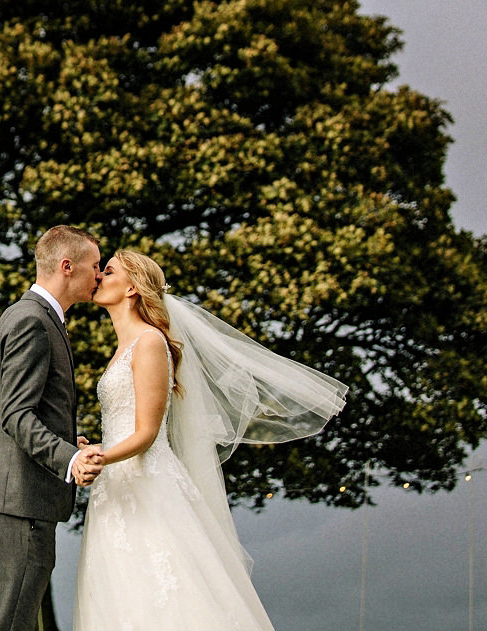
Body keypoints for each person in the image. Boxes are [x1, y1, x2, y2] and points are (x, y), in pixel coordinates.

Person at [72, 250, 348, 630]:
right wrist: (92, 449)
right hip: (116, 491)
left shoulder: (149, 342)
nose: (100, 276)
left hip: (147, 486)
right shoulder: (122, 347)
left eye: (110, 271)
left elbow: (147, 433)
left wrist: (102, 456)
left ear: (132, 287)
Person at [0, 225, 105, 631]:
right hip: (19, 501)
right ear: (67, 266)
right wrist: (69, 458)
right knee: (9, 624)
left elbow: (25, 408)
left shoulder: (30, 315)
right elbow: (15, 415)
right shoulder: (32, 321)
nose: (99, 276)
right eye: (95, 266)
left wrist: (68, 439)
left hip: (11, 499)